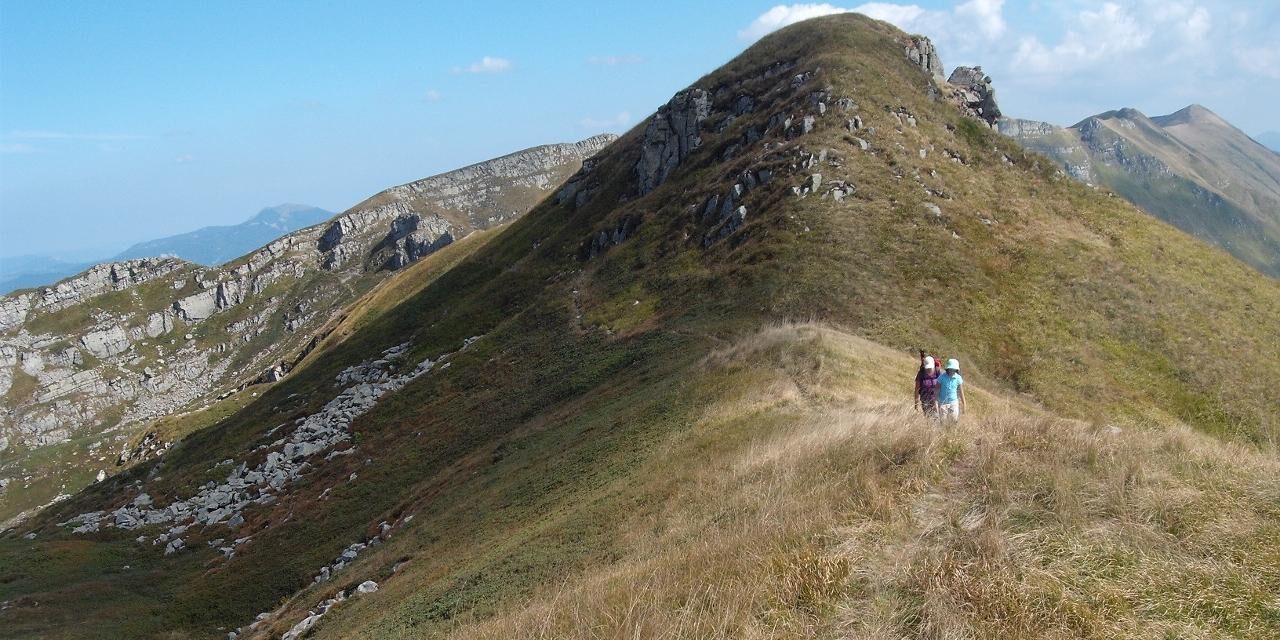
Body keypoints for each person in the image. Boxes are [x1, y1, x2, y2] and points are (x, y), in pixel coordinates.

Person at [936, 358, 965, 422]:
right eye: (950, 369)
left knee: (954, 420)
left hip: (953, 402)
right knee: (943, 421)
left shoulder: (958, 378)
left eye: (954, 370)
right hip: (942, 402)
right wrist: (936, 402)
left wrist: (964, 404)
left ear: (956, 370)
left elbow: (961, 391)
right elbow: (937, 390)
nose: (952, 371)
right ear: (947, 369)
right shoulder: (941, 377)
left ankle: (951, 431)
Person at [914, 352, 940, 417]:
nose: (928, 370)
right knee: (928, 417)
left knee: (937, 416)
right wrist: (916, 404)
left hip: (936, 398)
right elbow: (917, 389)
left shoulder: (937, 372)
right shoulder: (921, 374)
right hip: (924, 399)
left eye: (930, 368)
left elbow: (942, 386)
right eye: (927, 368)